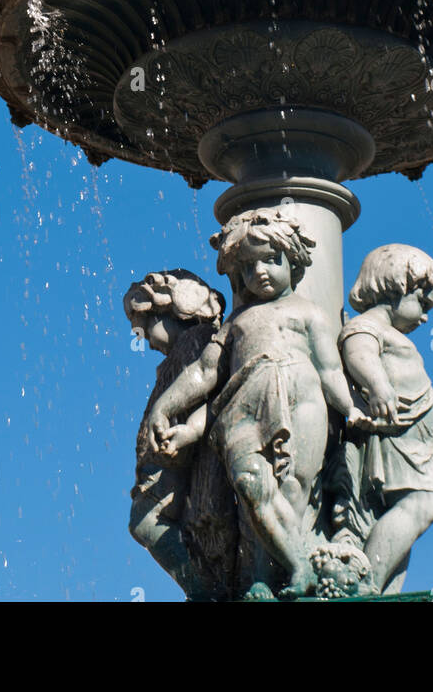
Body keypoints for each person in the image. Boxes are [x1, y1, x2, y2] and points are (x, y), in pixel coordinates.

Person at [148, 208, 363, 598]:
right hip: (241, 405)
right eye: (248, 266)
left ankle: (268, 576)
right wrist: (166, 408)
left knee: (294, 489)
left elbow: (331, 372)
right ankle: (298, 563)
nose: (260, 271)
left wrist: (352, 411)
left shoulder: (308, 313)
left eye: (270, 259)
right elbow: (205, 372)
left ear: (293, 260)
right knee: (250, 485)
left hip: (302, 400)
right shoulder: (239, 322)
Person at [335, 243, 433, 594]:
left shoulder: (388, 332)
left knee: (412, 511)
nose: (426, 317)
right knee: (421, 505)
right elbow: (359, 352)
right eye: (423, 303)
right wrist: (379, 385)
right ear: (397, 286)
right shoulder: (368, 327)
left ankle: (385, 590)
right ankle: (366, 583)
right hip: (399, 434)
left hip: (413, 434)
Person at [125, 269, 234, 599]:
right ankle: (204, 587)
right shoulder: (185, 349)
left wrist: (188, 430)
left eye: (144, 324)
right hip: (167, 456)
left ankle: (204, 590)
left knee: (144, 523)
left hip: (174, 456)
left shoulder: (195, 341)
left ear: (171, 311)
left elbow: (204, 392)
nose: (139, 335)